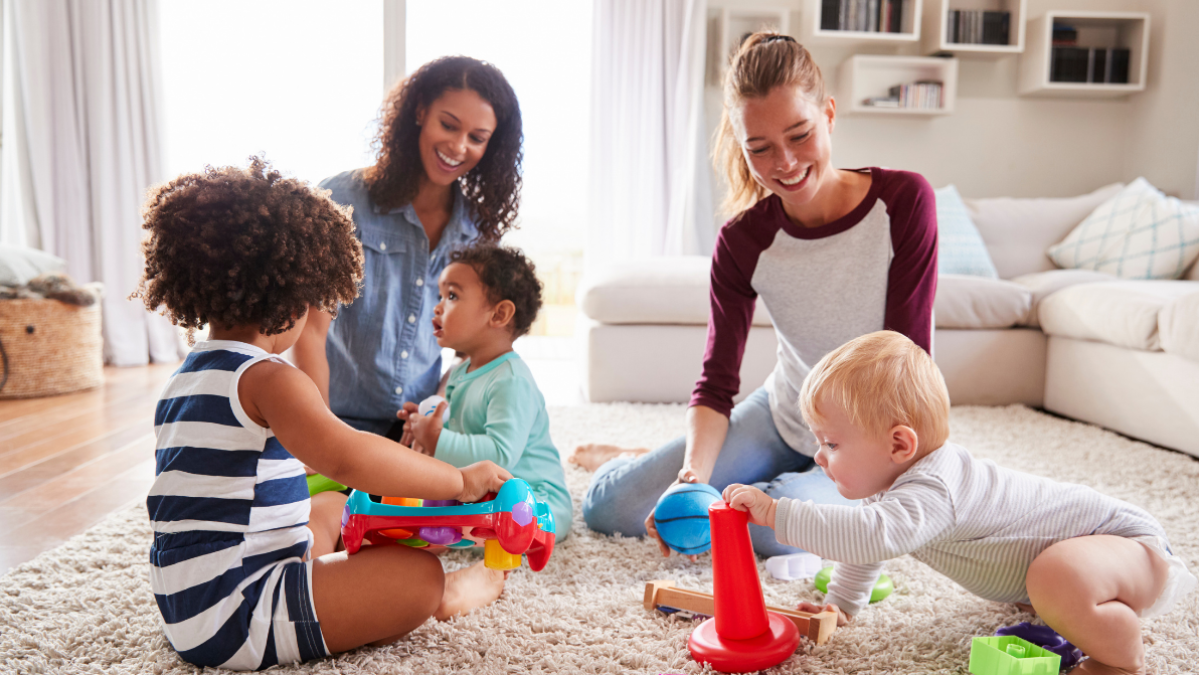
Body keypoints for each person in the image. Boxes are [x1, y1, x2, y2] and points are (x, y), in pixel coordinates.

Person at [135, 158, 514, 671]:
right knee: (417, 576)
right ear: (296, 303)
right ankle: (450, 593)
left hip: (190, 598)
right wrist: (459, 482)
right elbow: (350, 455)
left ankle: (354, 562)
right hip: (239, 611)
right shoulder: (270, 379)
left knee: (334, 507)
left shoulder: (189, 375)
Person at [573, 32, 939, 558]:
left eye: (799, 134)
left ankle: (725, 479)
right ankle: (637, 460)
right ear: (741, 147)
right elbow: (717, 383)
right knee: (611, 509)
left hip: (865, 437)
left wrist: (865, 460)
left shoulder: (903, 203)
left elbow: (907, 360)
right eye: (760, 148)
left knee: (771, 531)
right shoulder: (744, 241)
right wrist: (690, 476)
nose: (784, 163)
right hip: (783, 417)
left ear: (829, 114)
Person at [724, 330, 1196, 675]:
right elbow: (868, 543)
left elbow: (873, 535)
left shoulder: (936, 487)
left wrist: (774, 512)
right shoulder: (897, 486)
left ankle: (1120, 657)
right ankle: (1079, 604)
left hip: (1127, 547)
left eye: (832, 444)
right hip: (1101, 565)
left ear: (899, 445)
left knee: (1056, 575)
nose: (818, 457)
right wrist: (842, 605)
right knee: (1051, 579)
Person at [293, 55, 523, 439]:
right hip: (334, 422)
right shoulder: (343, 199)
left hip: (416, 429)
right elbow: (309, 333)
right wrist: (321, 434)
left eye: (477, 138)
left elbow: (474, 350)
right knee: (324, 501)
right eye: (448, 125)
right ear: (419, 112)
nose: (458, 146)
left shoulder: (478, 232)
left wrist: (434, 415)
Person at [399, 243, 572, 540]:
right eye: (440, 296)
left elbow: (500, 455)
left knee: (503, 519)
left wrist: (438, 438)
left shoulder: (511, 380)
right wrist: (427, 428)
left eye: (452, 296)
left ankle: (458, 533)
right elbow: (462, 435)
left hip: (534, 496)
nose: (437, 307)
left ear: (499, 314)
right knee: (421, 500)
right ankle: (451, 530)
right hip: (483, 491)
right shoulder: (459, 373)